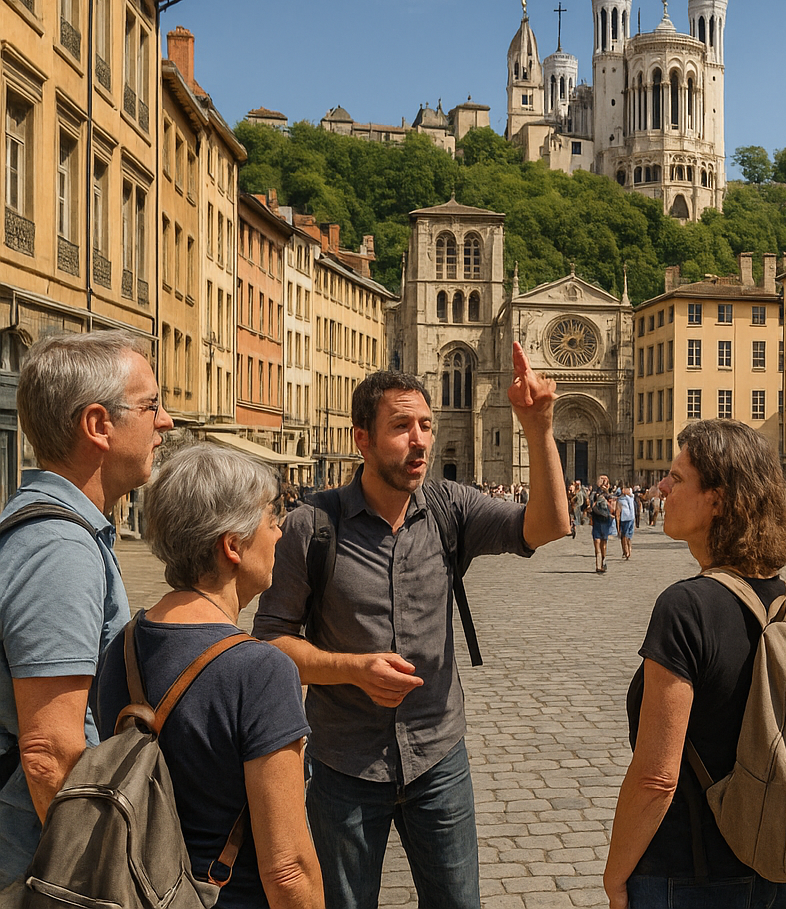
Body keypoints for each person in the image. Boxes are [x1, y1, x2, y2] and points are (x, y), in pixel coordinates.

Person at [253, 344, 570, 909]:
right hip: (345, 764)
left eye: (426, 424)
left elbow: (547, 525)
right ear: (363, 439)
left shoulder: (451, 507)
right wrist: (352, 669)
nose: (420, 439)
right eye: (401, 426)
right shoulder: (313, 526)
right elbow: (270, 644)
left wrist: (538, 427)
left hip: (438, 758)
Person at [95, 444, 323, 909]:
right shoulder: (260, 671)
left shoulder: (122, 646)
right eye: (270, 517)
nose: (280, 531)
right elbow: (287, 870)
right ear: (232, 545)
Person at [604, 419, 786, 909]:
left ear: (717, 500)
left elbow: (658, 776)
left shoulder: (686, 607)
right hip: (781, 864)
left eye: (676, 479)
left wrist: (616, 874)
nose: (661, 487)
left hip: (692, 872)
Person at [0, 332, 174, 899]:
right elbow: (49, 752)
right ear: (99, 426)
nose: (165, 422)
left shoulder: (62, 530)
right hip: (40, 864)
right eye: (151, 405)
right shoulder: (60, 548)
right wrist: (101, 880)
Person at [588, 475, 616, 572]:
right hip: (602, 521)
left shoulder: (599, 494)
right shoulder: (603, 495)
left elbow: (590, 507)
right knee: (601, 543)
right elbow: (613, 509)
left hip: (600, 521)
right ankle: (600, 564)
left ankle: (600, 563)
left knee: (599, 543)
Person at [617, 484, 637, 559]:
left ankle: (629, 549)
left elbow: (631, 492)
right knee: (624, 536)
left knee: (629, 536)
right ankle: (626, 551)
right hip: (625, 518)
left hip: (631, 518)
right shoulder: (620, 500)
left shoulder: (630, 497)